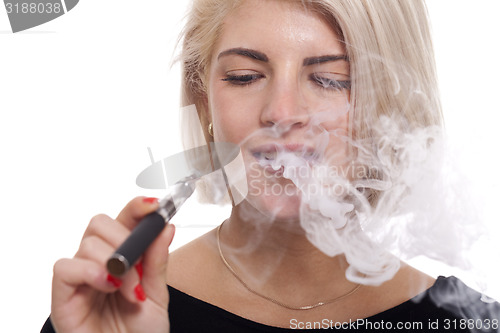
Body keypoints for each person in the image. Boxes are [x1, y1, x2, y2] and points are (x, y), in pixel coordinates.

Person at [42, 0, 500, 332]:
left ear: (391, 111)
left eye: (329, 79)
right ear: (204, 103)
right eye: (245, 77)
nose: (282, 112)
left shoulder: (465, 322)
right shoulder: (108, 311)